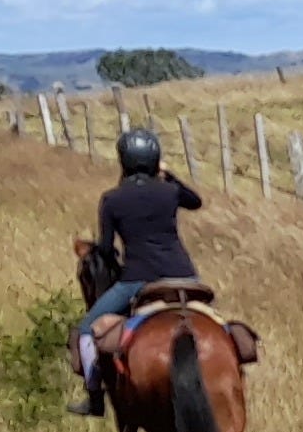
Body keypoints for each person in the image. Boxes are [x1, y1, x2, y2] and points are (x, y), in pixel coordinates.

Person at [71, 127, 206, 416]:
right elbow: (195, 202)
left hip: (137, 280)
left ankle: (94, 399)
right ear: (156, 158)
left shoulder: (112, 199)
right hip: (184, 276)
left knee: (86, 331)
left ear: (123, 161)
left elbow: (107, 250)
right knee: (210, 321)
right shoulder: (169, 191)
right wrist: (169, 175)